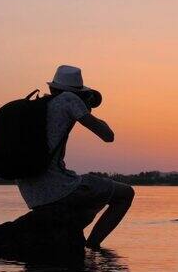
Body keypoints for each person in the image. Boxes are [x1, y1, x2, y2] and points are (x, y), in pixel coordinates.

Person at [17, 65, 134, 249]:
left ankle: (75, 241)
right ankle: (92, 247)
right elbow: (108, 136)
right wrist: (86, 109)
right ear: (76, 92)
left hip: (32, 195)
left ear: (52, 87)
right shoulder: (68, 99)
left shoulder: (38, 106)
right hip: (59, 189)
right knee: (126, 194)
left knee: (88, 202)